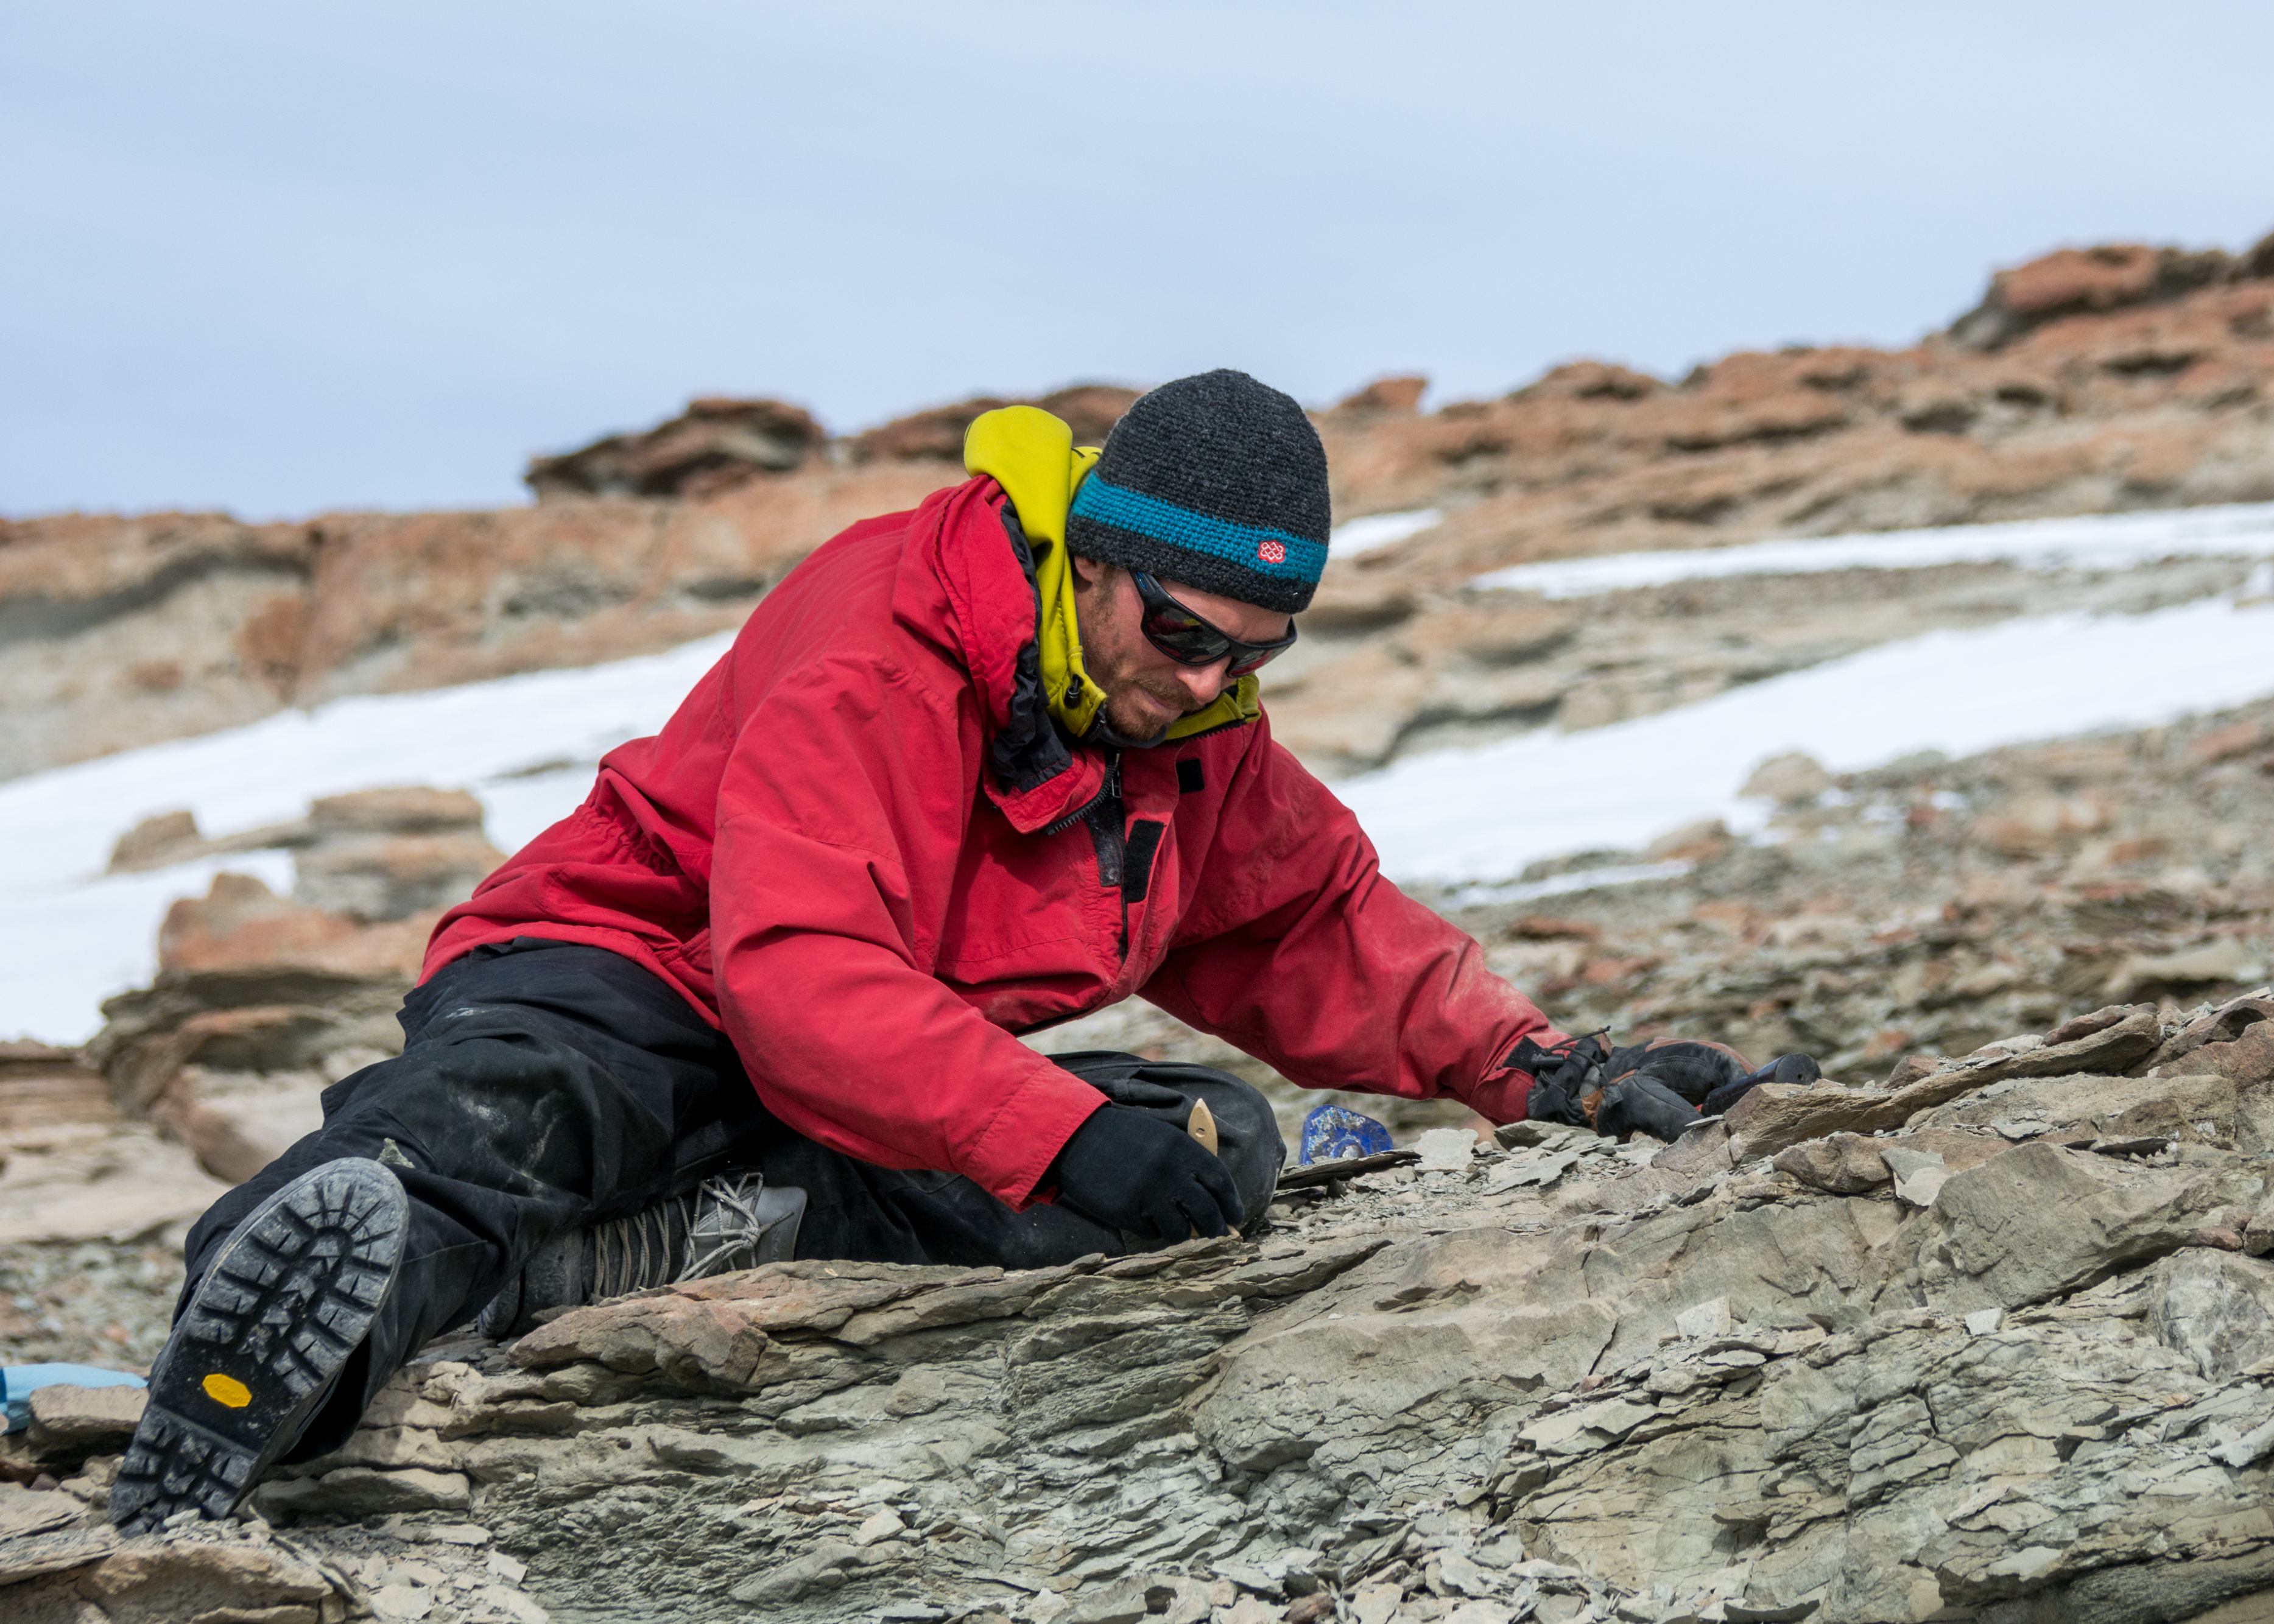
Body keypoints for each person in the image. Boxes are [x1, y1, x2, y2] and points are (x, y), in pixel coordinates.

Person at [110, 371, 1747, 1533]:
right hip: (626, 974)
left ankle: (619, 1263)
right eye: (1182, 634)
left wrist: (1553, 1070)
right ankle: (257, 1389)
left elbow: (1321, 924)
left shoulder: (1192, 728)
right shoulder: (885, 640)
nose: (1209, 683)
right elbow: (802, 974)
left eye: (1257, 654)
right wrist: (1051, 1132)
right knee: (487, 1133)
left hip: (846, 1079)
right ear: (1087, 558)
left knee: (1207, 1156)